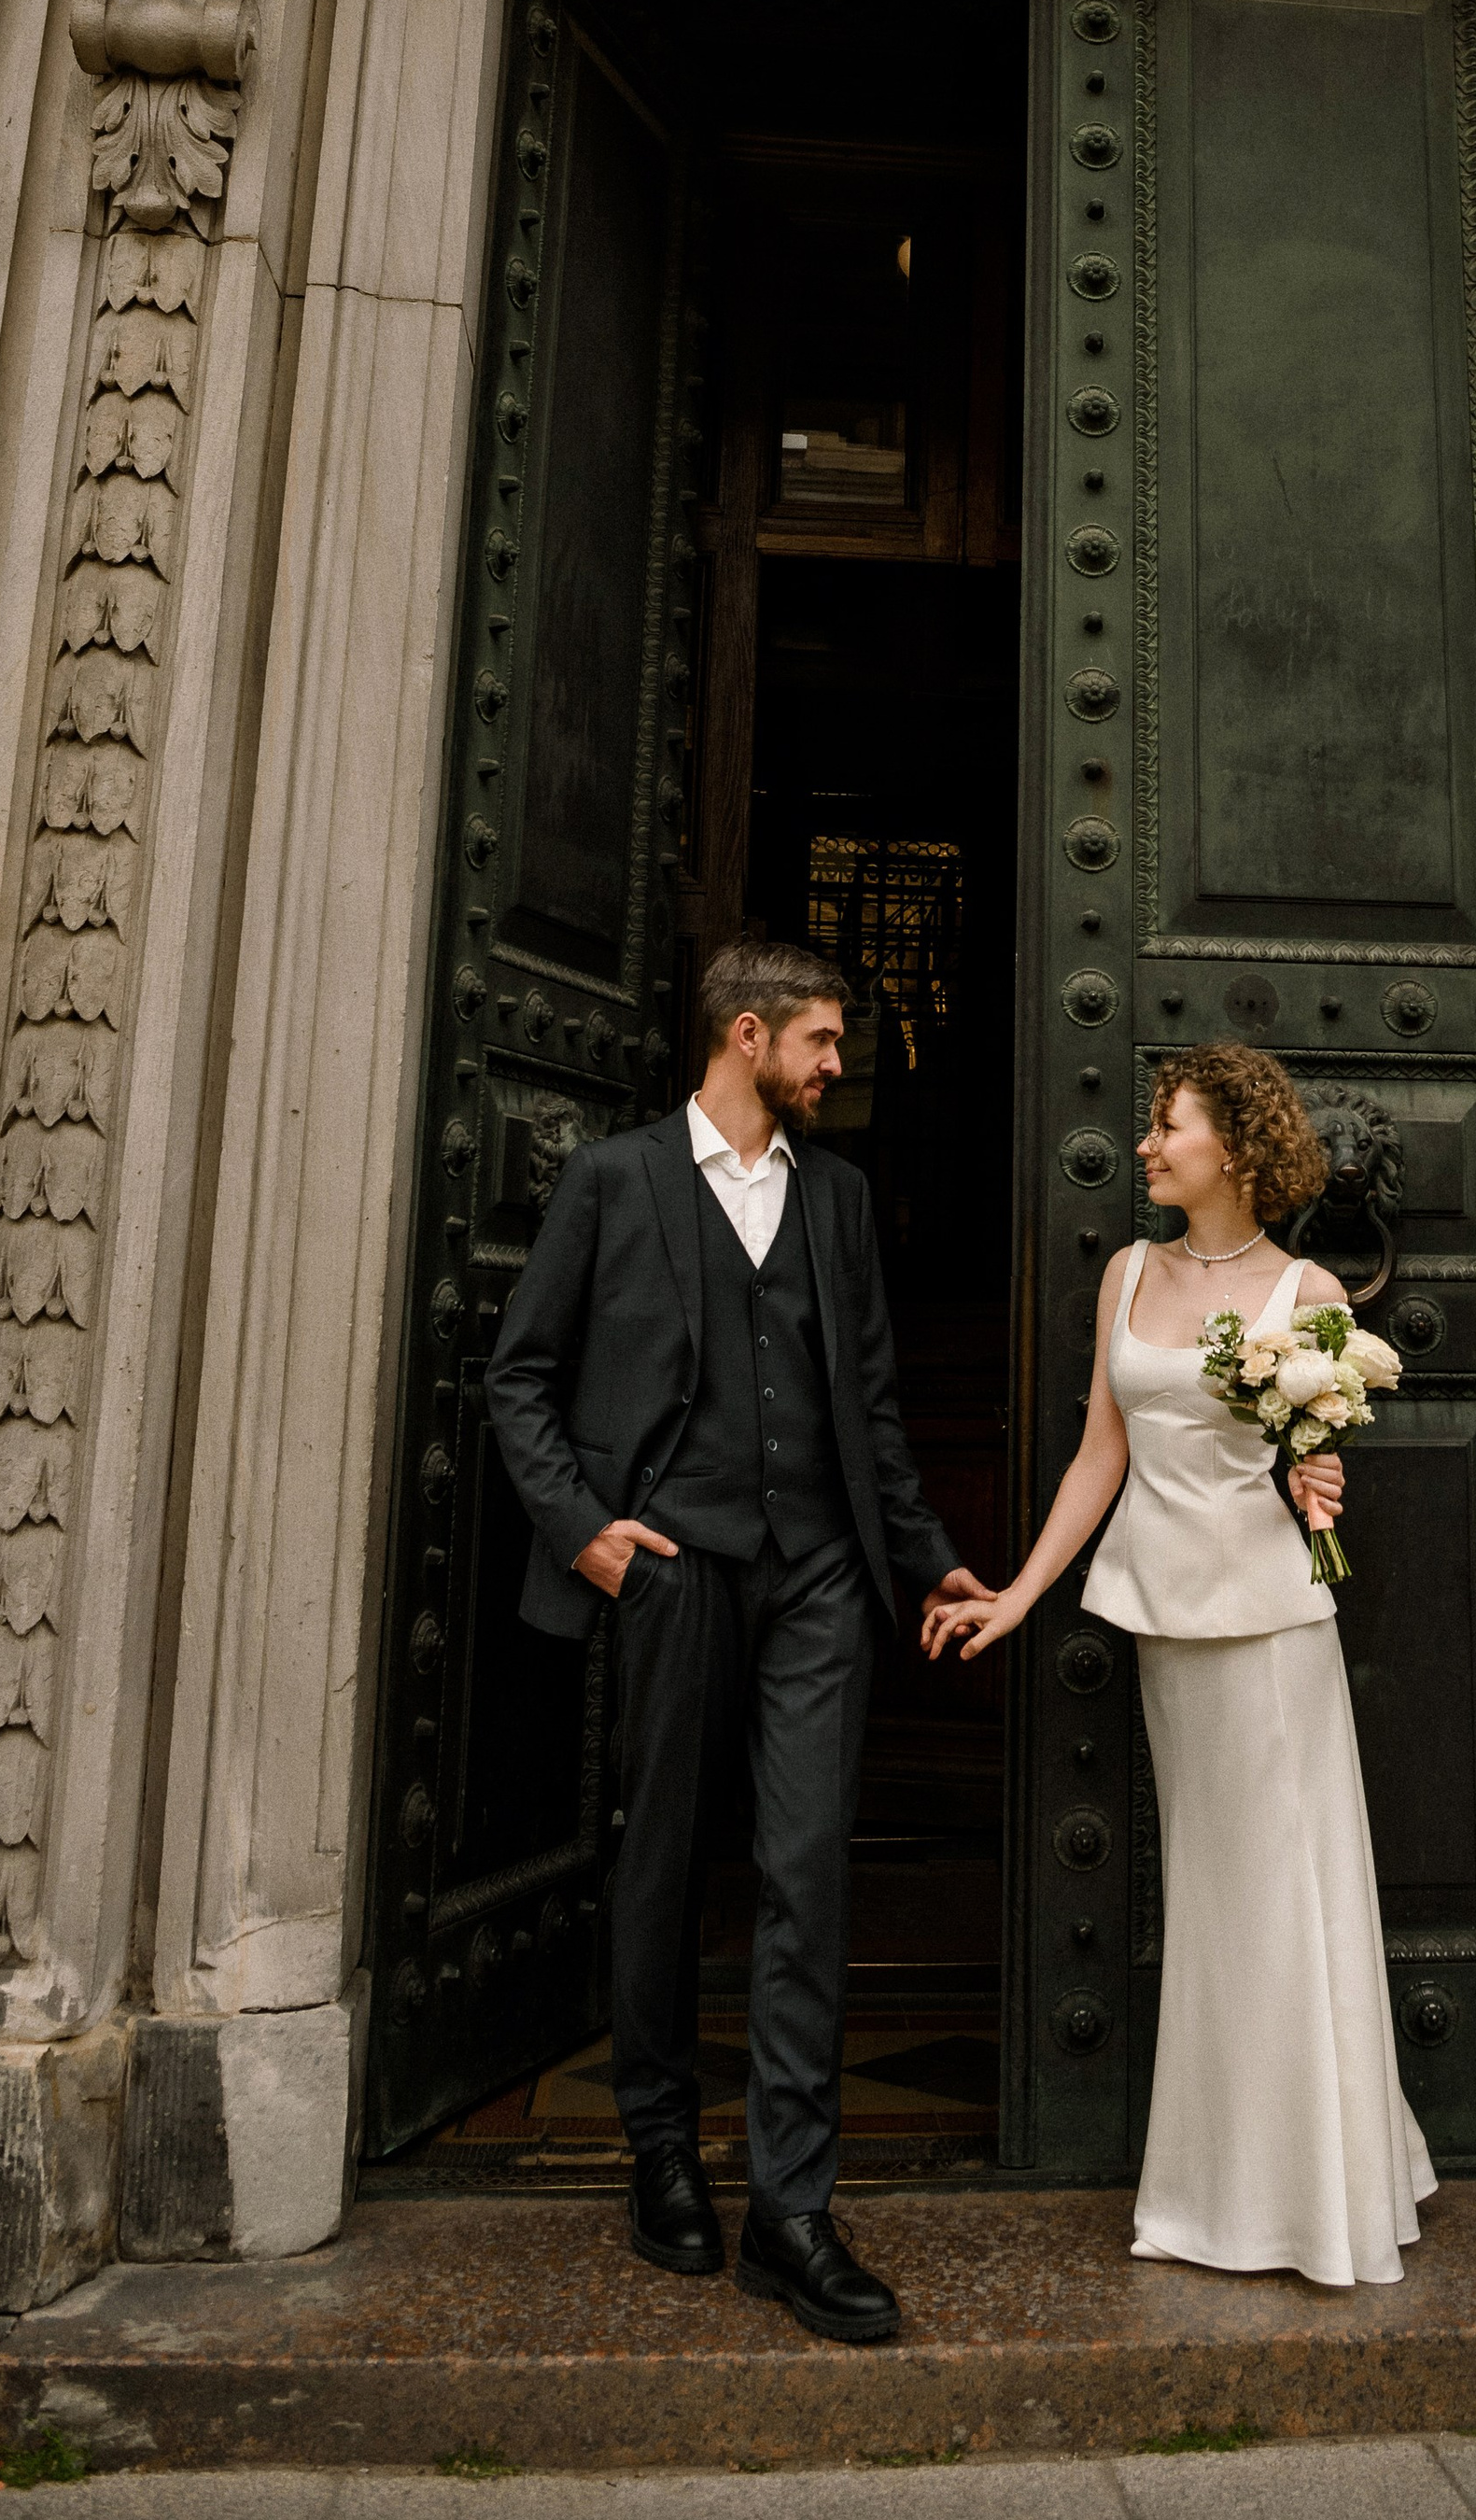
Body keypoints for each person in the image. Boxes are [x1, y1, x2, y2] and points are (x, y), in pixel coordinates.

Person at [486, 937, 988, 2344]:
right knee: (661, 1859)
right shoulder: (613, 1180)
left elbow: (872, 1410)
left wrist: (931, 1558)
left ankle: (792, 2211)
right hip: (673, 1565)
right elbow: (520, 1375)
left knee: (807, 1870)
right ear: (748, 1035)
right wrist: (586, 1529)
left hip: (821, 1575)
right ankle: (661, 2156)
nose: (839, 1066)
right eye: (822, 1041)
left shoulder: (836, 1198)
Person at [926, 1043, 1437, 2288]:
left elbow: (1316, 1486)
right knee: (1215, 1905)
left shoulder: (1308, 1287)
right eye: (1153, 1127)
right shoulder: (1129, 1272)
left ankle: (1303, 2200)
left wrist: (1322, 1495)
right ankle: (1217, 2189)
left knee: (1280, 1901)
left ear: (1239, 1152)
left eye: (1172, 1127)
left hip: (1274, 1632)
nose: (1148, 1147)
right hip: (1167, 1622)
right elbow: (1100, 1457)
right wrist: (1017, 1595)